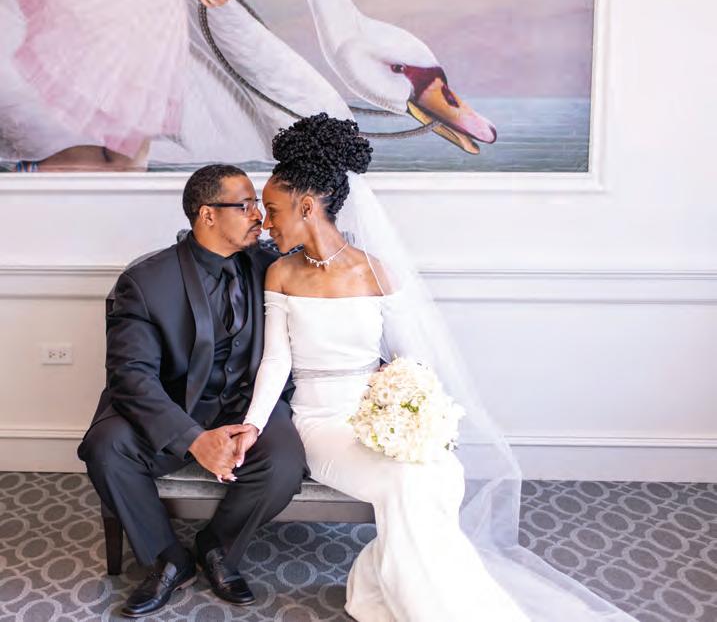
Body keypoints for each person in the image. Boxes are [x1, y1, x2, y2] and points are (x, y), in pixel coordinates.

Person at [239, 113, 638, 621]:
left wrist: (421, 421)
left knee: (440, 470)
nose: (265, 222)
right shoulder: (280, 272)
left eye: (273, 209)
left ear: (307, 206)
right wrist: (253, 425)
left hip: (374, 416)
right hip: (320, 423)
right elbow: (276, 361)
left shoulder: (375, 272)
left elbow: (414, 359)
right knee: (407, 484)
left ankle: (406, 587)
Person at [77, 164, 307, 618]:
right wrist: (193, 439)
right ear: (207, 215)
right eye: (246, 205)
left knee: (284, 462)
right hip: (172, 404)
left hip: (246, 405)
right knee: (106, 447)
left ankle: (216, 546)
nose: (259, 215)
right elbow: (130, 375)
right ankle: (168, 558)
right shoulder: (146, 281)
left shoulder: (273, 265)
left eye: (257, 204)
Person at [12, 0, 230, 172]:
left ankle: (28, 173)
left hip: (153, 23)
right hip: (124, 23)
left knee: (127, 162)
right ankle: (27, 176)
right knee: (127, 162)